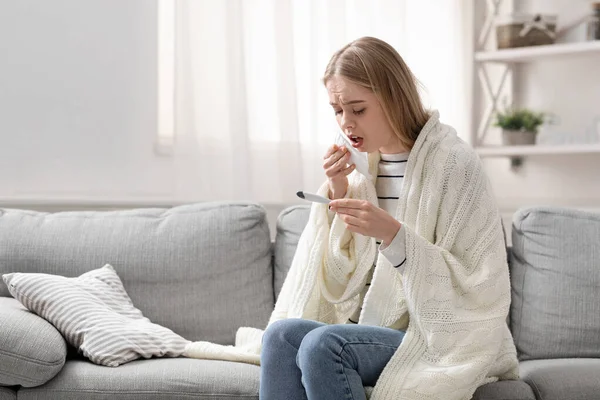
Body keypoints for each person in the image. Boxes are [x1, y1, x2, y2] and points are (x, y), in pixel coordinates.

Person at [258, 37, 519, 400]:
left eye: (358, 109)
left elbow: (478, 286)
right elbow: (338, 281)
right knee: (280, 336)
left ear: (393, 97)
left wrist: (394, 236)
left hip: (430, 334)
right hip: (364, 328)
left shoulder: (454, 165)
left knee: (323, 345)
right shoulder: (360, 172)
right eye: (337, 110)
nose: (346, 123)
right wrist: (338, 191)